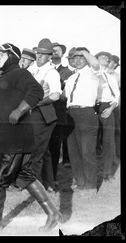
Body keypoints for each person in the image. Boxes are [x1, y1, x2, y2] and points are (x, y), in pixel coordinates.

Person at [0, 43, 61, 232]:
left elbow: (36, 91)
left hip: (11, 138)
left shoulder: (20, 73)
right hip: (11, 136)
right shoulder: (2, 77)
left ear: (12, 56)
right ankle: (53, 214)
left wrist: (20, 109)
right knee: (25, 177)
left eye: (1, 54)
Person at [64, 47, 101, 194]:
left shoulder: (93, 73)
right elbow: (66, 97)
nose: (77, 60)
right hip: (71, 113)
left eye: (81, 57)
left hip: (86, 113)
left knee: (87, 151)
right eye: (75, 57)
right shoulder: (71, 78)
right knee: (74, 152)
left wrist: (83, 50)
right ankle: (80, 182)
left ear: (87, 58)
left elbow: (96, 64)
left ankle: (91, 186)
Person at [30, 38, 62, 192]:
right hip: (33, 114)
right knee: (44, 151)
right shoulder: (33, 70)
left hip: (44, 114)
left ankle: (35, 189)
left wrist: (37, 102)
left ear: (50, 56)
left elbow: (55, 95)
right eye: (38, 53)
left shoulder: (52, 72)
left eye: (43, 55)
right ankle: (48, 185)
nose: (39, 57)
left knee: (36, 152)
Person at [49, 42, 73, 189]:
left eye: (57, 51)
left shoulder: (67, 72)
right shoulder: (44, 69)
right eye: (51, 50)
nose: (54, 53)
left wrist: (55, 93)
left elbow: (65, 95)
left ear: (62, 54)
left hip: (58, 115)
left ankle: (52, 177)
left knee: (54, 148)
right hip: (42, 114)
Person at [95, 51, 120, 182]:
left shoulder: (111, 77)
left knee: (108, 141)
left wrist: (110, 109)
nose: (105, 58)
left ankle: (107, 172)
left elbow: (116, 96)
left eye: (107, 58)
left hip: (107, 108)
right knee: (90, 142)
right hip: (91, 107)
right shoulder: (90, 75)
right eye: (102, 56)